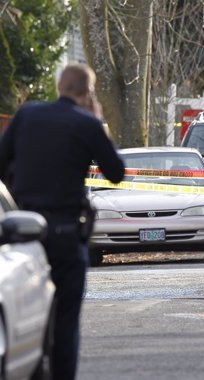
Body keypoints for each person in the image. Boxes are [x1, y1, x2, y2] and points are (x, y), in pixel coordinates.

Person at [0, 64, 125, 380]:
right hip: (67, 234)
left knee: (29, 315)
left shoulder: (27, 115)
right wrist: (98, 123)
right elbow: (116, 172)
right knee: (66, 322)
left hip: (24, 233)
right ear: (87, 94)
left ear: (58, 86)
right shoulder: (87, 123)